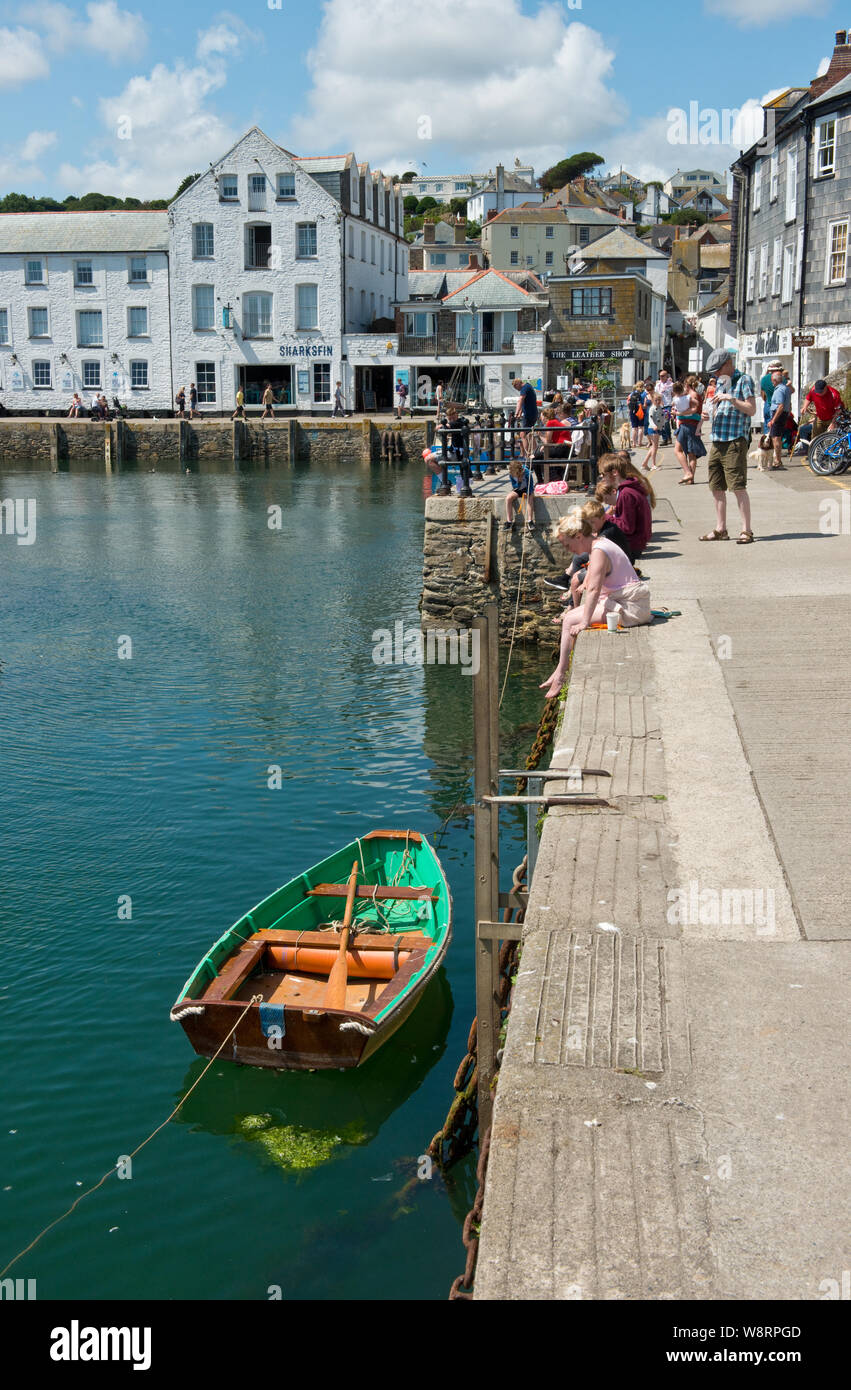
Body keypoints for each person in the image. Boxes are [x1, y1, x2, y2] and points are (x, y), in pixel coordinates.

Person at [540, 509, 652, 698]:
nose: (568, 550)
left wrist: (584, 622)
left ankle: (560, 674)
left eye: (567, 545)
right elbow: (594, 576)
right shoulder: (599, 544)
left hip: (630, 608)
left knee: (569, 620)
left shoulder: (598, 551)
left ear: (578, 536)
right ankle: (559, 670)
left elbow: (593, 590)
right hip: (627, 601)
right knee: (569, 619)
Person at [699, 347, 757, 545]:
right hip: (718, 438)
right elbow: (717, 407)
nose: (715, 375)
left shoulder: (744, 380)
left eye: (717, 370)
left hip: (734, 439)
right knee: (716, 486)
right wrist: (708, 414)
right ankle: (720, 528)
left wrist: (731, 399)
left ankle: (746, 530)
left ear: (728, 364)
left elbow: (751, 409)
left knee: (738, 486)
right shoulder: (722, 382)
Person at [598, 454, 654, 561]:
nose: (602, 478)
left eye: (603, 474)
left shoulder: (626, 494)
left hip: (632, 547)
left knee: (586, 553)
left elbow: (627, 527)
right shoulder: (629, 489)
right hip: (636, 544)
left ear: (614, 473)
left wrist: (604, 517)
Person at [672, 376, 705, 483]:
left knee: (678, 450)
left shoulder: (691, 395)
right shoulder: (692, 395)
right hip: (692, 425)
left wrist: (679, 413)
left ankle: (688, 472)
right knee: (691, 453)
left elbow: (693, 410)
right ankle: (691, 478)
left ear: (687, 384)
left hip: (687, 424)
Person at [767, 367, 791, 469]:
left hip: (778, 415)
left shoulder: (779, 390)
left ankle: (777, 460)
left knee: (776, 437)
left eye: (772, 380)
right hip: (783, 414)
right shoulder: (786, 388)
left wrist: (773, 420)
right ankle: (778, 459)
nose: (772, 382)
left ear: (775, 380)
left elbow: (780, 406)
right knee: (778, 437)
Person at [503, 457, 535, 531]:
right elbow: (514, 486)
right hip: (518, 489)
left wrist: (528, 492)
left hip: (527, 489)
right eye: (514, 474)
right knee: (508, 498)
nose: (515, 476)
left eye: (517, 474)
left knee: (530, 498)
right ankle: (509, 521)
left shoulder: (527, 473)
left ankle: (530, 521)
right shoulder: (511, 474)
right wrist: (519, 482)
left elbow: (530, 486)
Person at [512, 376, 538, 462]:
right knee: (529, 434)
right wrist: (520, 413)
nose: (516, 390)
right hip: (532, 414)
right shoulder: (528, 386)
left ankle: (527, 455)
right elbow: (525, 403)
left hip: (529, 415)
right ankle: (535, 452)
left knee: (523, 434)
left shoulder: (524, 388)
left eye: (516, 387)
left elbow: (520, 400)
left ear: (518, 383)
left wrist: (516, 413)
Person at [641, 393, 666, 471]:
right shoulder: (652, 408)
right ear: (652, 400)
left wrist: (666, 419)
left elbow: (662, 417)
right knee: (655, 447)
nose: (658, 401)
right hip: (653, 428)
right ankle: (653, 464)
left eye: (659, 400)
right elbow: (650, 419)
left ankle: (644, 463)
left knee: (654, 447)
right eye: (656, 400)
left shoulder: (660, 408)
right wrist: (654, 425)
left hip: (658, 428)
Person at [760, 359, 781, 434]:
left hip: (767, 404)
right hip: (778, 406)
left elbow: (762, 394)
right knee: (776, 430)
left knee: (767, 427)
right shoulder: (781, 379)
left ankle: (766, 444)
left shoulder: (764, 379)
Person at [627, 381, 648, 448]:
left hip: (632, 411)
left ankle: (634, 443)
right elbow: (645, 405)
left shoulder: (632, 393)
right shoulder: (644, 394)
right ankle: (639, 443)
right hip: (641, 411)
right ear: (643, 386)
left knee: (634, 428)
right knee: (640, 427)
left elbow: (628, 402)